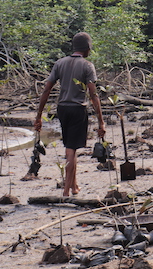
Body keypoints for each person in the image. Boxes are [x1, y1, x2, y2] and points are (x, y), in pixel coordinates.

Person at [34, 32, 105, 196]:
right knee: (71, 150)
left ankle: (74, 186)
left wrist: (38, 116)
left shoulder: (60, 63)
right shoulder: (87, 66)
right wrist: (101, 121)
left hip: (63, 109)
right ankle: (66, 190)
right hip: (78, 109)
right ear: (87, 48)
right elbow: (93, 95)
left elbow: (46, 89)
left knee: (70, 146)